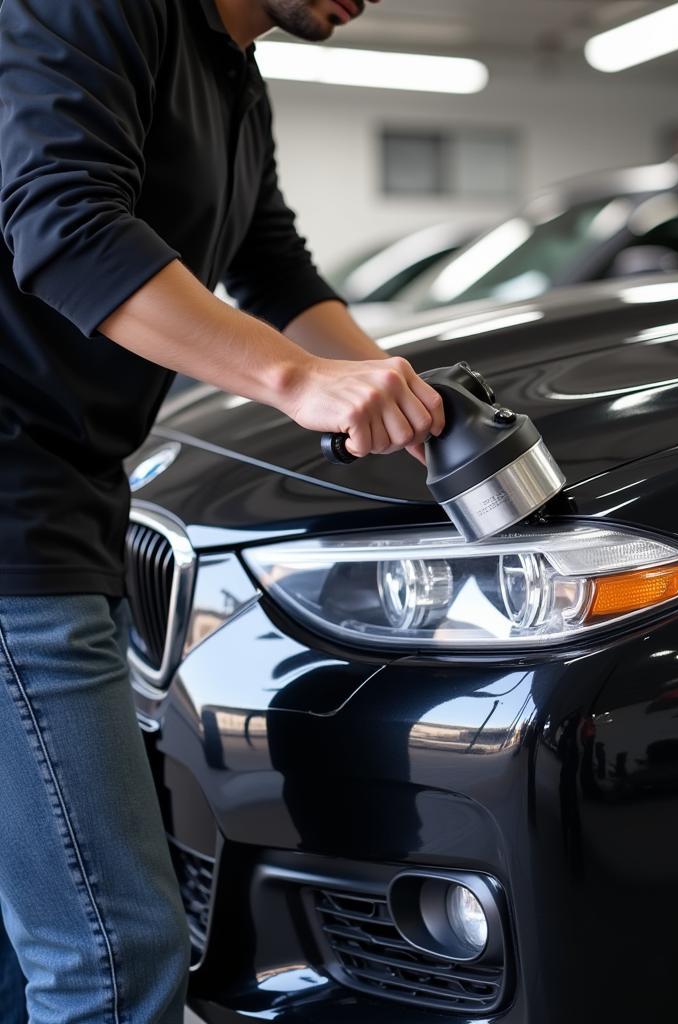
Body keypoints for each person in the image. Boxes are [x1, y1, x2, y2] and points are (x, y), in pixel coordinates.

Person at [0, 0, 444, 1020]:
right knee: (114, 956)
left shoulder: (232, 73)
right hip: (12, 506)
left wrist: (395, 387)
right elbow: (66, 230)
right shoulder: (97, 11)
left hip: (73, 497)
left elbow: (272, 266)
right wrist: (297, 383)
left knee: (31, 946)